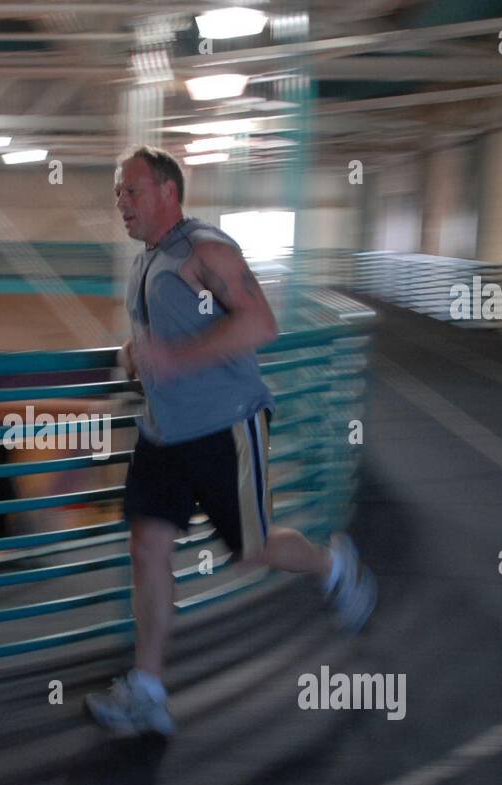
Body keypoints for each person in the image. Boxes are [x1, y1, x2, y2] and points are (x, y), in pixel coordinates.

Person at [84, 145, 377, 737]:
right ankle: (148, 689)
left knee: (252, 548)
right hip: (162, 435)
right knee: (147, 548)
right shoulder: (147, 261)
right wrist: (133, 354)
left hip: (225, 428)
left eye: (130, 191)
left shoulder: (206, 249)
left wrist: (171, 358)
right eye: (117, 192)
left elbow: (259, 324)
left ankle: (331, 564)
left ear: (168, 192)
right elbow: (157, 334)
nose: (121, 202)